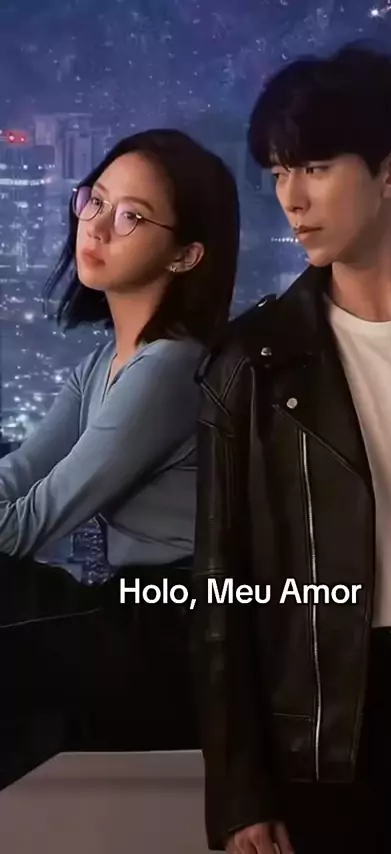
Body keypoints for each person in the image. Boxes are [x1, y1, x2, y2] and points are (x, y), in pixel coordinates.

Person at [192, 42, 391, 854]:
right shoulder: (252, 364)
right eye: (280, 171)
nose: (292, 197)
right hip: (336, 715)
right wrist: (240, 791)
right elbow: (222, 589)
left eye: (316, 167)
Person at [0, 128, 239, 787]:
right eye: (96, 200)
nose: (98, 226)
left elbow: (24, 525)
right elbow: (17, 477)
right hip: (129, 609)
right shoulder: (104, 361)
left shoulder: (169, 368)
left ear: (186, 255)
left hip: (178, 625)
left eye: (132, 216)